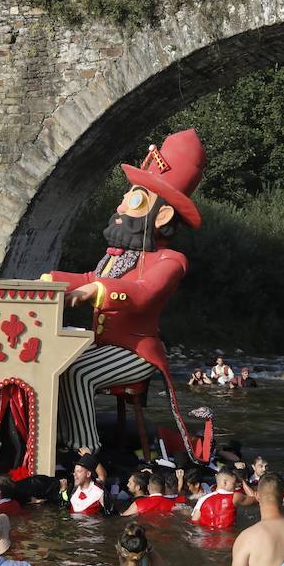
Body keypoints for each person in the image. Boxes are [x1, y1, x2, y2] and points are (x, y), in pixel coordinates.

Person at [41, 131, 205, 456]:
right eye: (127, 197)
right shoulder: (118, 256)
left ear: (162, 215)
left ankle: (87, 454)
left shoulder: (171, 261)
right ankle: (54, 443)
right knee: (51, 364)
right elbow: (89, 277)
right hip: (102, 346)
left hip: (137, 354)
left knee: (77, 373)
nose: (121, 207)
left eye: (134, 200)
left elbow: (141, 294)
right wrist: (48, 280)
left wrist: (95, 290)